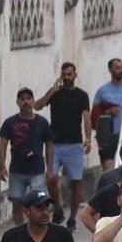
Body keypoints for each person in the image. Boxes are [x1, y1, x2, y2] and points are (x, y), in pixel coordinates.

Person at [35, 62, 90, 230]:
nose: (66, 77)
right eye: (64, 74)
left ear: (75, 75)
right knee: (50, 177)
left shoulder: (82, 95)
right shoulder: (55, 94)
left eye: (69, 74)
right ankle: (58, 208)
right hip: (54, 144)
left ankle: (72, 218)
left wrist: (88, 138)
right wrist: (52, 91)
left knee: (76, 182)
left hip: (74, 144)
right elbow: (37, 105)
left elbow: (87, 117)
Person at [0, 87, 54, 226]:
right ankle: (20, 231)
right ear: (17, 102)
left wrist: (50, 168)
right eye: (22, 99)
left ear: (33, 102)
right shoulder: (10, 122)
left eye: (28, 99)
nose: (26, 102)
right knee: (17, 203)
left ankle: (38, 229)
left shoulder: (42, 122)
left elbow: (50, 145)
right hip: (17, 171)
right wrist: (2, 166)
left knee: (40, 204)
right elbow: (3, 144)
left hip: (37, 171)